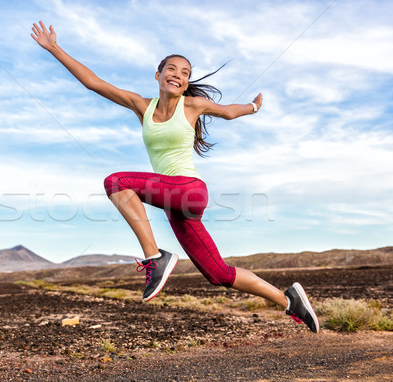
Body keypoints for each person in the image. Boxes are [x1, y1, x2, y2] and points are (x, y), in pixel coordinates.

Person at [31, 21, 319, 333]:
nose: (177, 75)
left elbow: (228, 111)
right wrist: (54, 49)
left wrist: (252, 107)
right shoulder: (142, 106)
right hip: (174, 204)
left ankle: (154, 257)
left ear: (187, 82)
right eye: (171, 69)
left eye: (184, 73)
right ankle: (290, 300)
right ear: (158, 75)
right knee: (218, 273)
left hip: (191, 191)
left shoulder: (192, 105)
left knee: (117, 182)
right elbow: (95, 83)